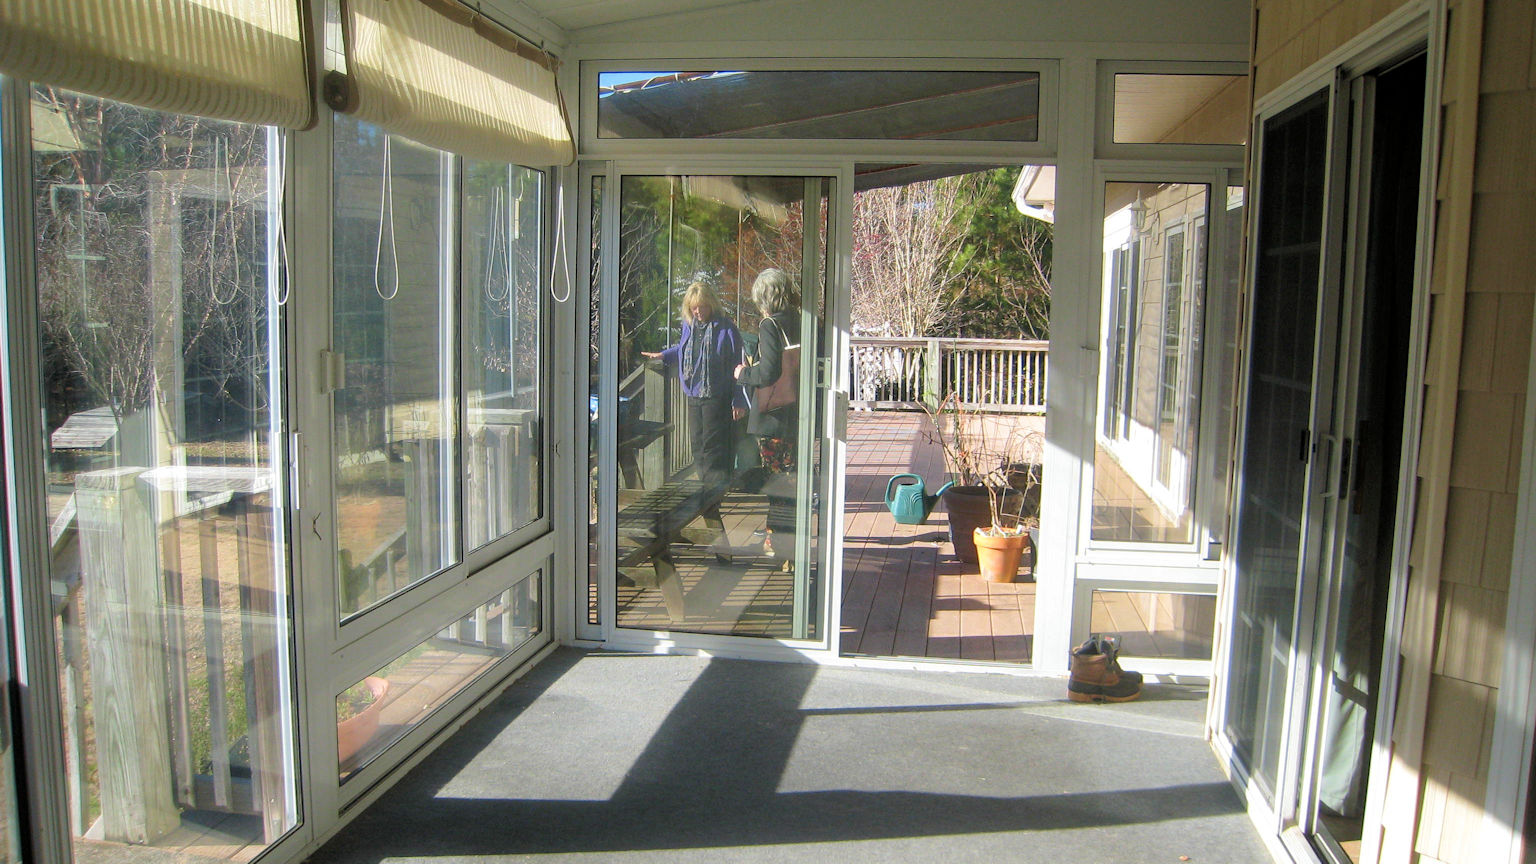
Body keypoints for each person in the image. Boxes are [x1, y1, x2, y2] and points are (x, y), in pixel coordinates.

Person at [642, 282, 747, 560]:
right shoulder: (689, 326)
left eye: (702, 307)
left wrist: (738, 400)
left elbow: (739, 367)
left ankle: (711, 501)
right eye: (694, 308)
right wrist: (664, 355)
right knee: (697, 447)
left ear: (711, 303)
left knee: (712, 450)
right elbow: (684, 349)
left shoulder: (726, 329)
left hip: (716, 397)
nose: (698, 312)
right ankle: (707, 497)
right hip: (694, 396)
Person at [734, 268, 801, 568]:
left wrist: (743, 373)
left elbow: (769, 371)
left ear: (764, 297)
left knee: (777, 484)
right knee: (789, 481)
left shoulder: (770, 325)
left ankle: (779, 545)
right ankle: (785, 541)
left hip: (773, 419)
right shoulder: (801, 321)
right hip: (795, 416)